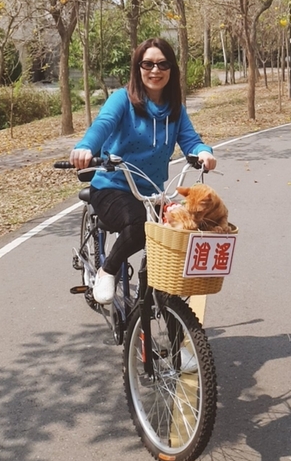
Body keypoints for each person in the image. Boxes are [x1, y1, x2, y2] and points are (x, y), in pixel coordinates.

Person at [70, 37, 217, 304]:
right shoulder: (122, 100)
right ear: (138, 68)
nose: (155, 70)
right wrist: (86, 147)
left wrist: (204, 152)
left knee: (186, 228)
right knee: (140, 225)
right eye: (147, 63)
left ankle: (167, 306)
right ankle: (107, 269)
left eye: (163, 64)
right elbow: (102, 125)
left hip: (151, 192)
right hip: (112, 188)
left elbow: (191, 141)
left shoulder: (175, 110)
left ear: (172, 70)